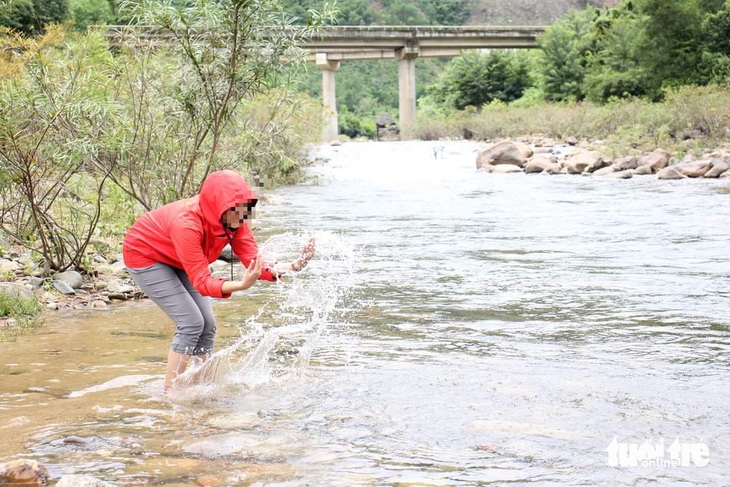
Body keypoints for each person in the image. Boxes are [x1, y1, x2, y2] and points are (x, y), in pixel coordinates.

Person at [122, 170, 315, 391]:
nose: (242, 218)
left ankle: (199, 386)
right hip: (145, 255)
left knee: (208, 325)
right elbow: (202, 282)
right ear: (217, 207)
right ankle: (172, 395)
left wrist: (294, 266)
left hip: (179, 257)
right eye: (236, 211)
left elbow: (257, 264)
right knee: (191, 323)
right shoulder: (186, 223)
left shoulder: (236, 221)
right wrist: (242, 285)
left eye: (246, 210)